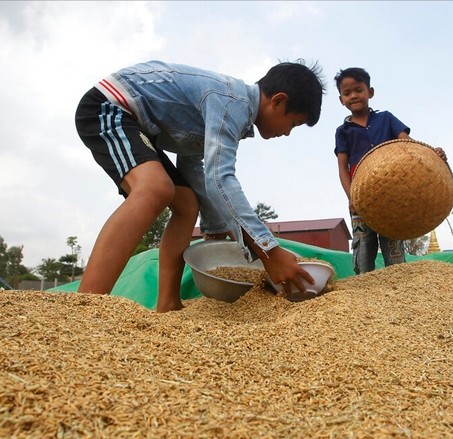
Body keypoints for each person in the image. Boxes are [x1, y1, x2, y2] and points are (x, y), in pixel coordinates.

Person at [76, 60, 325, 312]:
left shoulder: (230, 109)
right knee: (155, 189)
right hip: (110, 106)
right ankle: (86, 304)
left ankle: (168, 304)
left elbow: (192, 164)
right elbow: (219, 177)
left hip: (139, 125)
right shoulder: (231, 102)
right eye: (293, 124)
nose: (287, 134)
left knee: (186, 202)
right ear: (278, 101)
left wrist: (215, 228)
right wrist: (268, 250)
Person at [333, 67, 446, 274]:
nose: (353, 96)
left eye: (358, 90)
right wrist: (352, 198)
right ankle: (363, 287)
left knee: (393, 245)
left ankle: (398, 286)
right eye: (347, 93)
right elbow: (342, 167)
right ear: (341, 100)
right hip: (361, 198)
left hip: (391, 195)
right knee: (363, 245)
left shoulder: (386, 119)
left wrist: (432, 152)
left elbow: (408, 143)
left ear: (370, 92)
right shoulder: (343, 132)